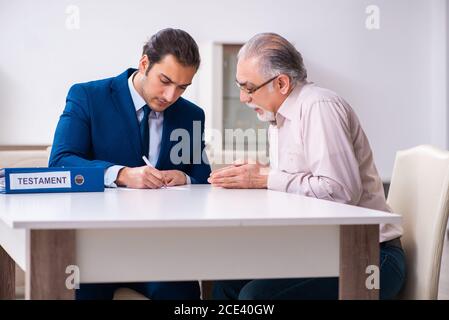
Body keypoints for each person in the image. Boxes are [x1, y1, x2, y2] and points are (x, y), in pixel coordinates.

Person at [209, 33, 406, 300]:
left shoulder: (318, 106)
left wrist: (266, 178)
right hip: (323, 250)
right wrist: (261, 173)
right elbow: (300, 182)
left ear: (281, 83)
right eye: (240, 87)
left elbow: (340, 192)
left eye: (249, 87)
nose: (243, 98)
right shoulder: (279, 119)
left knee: (255, 297)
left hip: (370, 256)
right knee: (225, 280)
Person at [49, 28, 211, 299]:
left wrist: (184, 178)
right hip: (92, 250)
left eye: (182, 87)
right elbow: (60, 161)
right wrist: (121, 174)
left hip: (160, 253)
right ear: (144, 63)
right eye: (165, 81)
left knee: (185, 297)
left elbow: (202, 174)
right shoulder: (88, 96)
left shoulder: (191, 115)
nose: (171, 96)